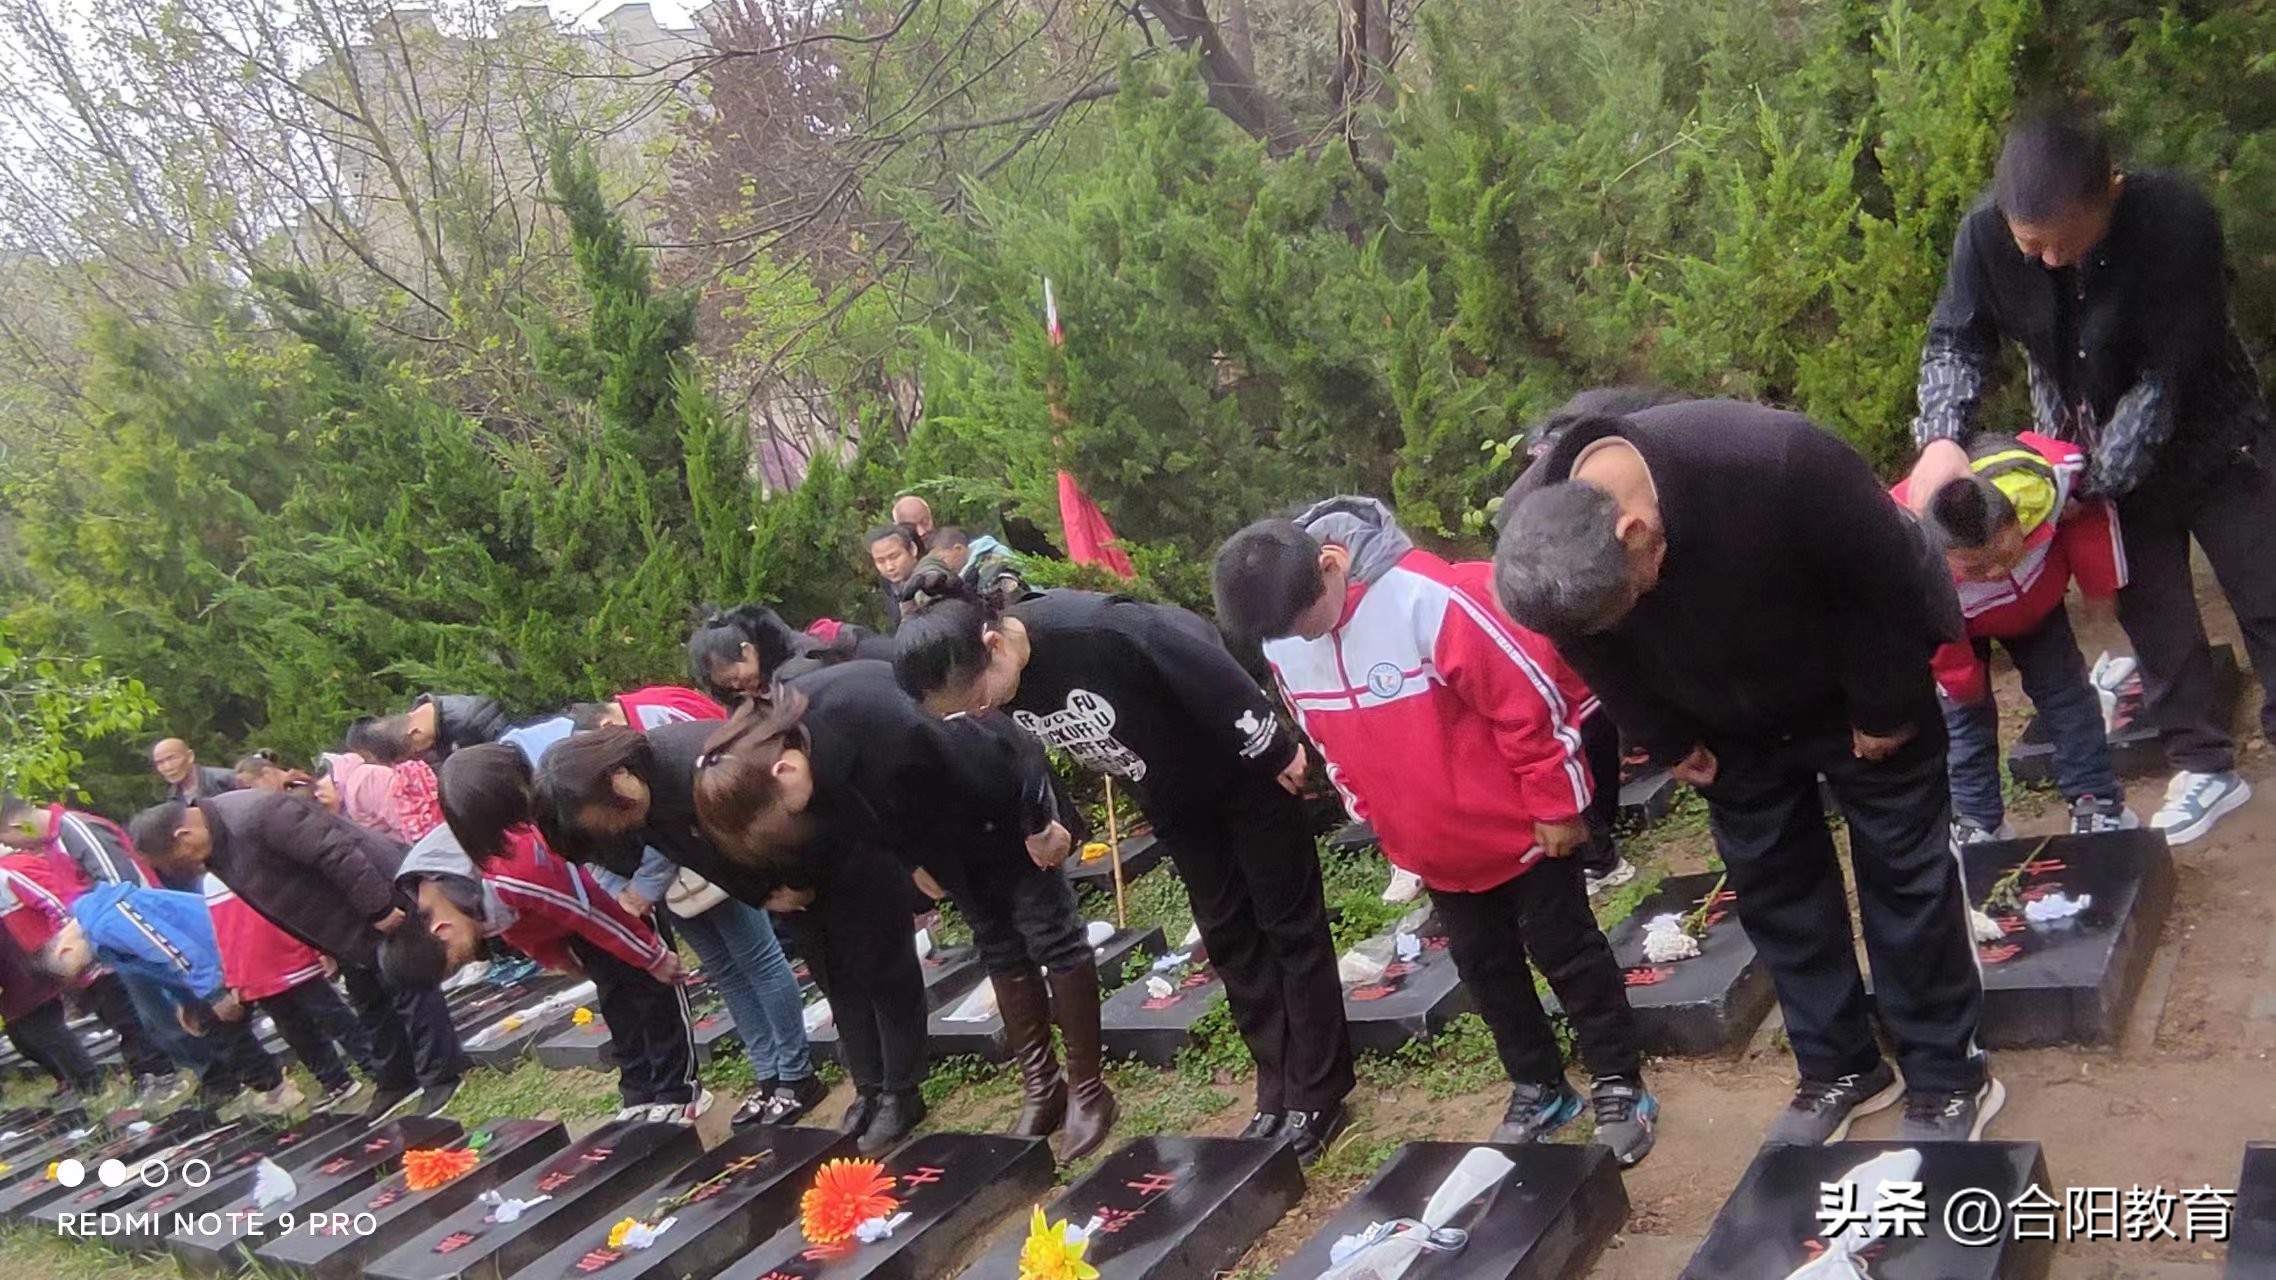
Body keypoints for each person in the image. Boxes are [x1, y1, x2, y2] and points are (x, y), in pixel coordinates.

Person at [1495, 397, 1999, 1145]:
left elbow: (1889, 581)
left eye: (1634, 593)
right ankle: (1840, 1066)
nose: (1633, 610)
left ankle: (1947, 1071)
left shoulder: (1775, 461)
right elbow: (1591, 648)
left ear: (1634, 532)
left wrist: (1886, 706)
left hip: (1852, 694)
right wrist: (1664, 737)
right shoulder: (1538, 537)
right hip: (1723, 725)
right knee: (1777, 895)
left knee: (1905, 879)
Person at [1213, 497, 1660, 1167]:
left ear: (1332, 565)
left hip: (1525, 831)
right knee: (1486, 969)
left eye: (1308, 621)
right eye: (1284, 634)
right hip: (1433, 847)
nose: (1302, 639)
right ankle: (1539, 1086)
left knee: (1570, 956)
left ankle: (1619, 1082)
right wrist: (1380, 817)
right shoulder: (1286, 639)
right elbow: (1325, 733)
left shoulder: (1429, 599)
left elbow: (1528, 701)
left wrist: (1556, 805)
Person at [1902, 109, 2276, 846]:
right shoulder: (1984, 237)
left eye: (2062, 242)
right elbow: (1956, 340)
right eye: (2028, 243)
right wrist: (1942, 438)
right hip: (2088, 442)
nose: (2044, 260)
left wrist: (2083, 479)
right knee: (2154, 611)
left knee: (2265, 585)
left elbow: (2170, 378)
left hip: (2212, 431)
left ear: (2111, 191)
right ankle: (2204, 763)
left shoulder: (2175, 221)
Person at [894, 572, 1356, 1163]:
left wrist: (1269, 742)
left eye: (981, 698)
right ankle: (1276, 1084)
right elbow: (1024, 747)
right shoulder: (997, 680)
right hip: (1173, 797)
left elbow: (1195, 646)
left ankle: (1318, 1092)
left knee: (1287, 926)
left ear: (993, 645)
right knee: (1229, 935)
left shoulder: (1095, 628)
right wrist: (1046, 816)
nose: (983, 711)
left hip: (1240, 778)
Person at [694, 662, 1119, 1162]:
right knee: (998, 946)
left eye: (787, 819)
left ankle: (1089, 1091)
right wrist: (913, 859)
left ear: (784, 771)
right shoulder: (779, 753)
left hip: (1004, 804)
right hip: (944, 830)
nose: (799, 829)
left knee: (1051, 936)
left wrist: (1039, 822)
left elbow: (1008, 749)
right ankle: (1044, 1086)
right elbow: (863, 813)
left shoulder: (876, 719)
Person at [492, 707, 822, 1129]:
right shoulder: (572, 811)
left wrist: (641, 891)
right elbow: (596, 862)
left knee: (759, 960)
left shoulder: (632, 777)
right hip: (672, 894)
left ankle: (797, 1073)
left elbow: (660, 835)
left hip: (707, 871)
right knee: (726, 972)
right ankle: (768, 1073)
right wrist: (624, 898)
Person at [387, 744, 708, 1124]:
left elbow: (591, 909)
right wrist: (558, 958)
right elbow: (517, 925)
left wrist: (652, 954)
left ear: (441, 929)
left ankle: (681, 1089)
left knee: (651, 990)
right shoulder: (446, 893)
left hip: (607, 895)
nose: (470, 959)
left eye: (458, 958)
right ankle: (639, 1089)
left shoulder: (512, 868)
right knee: (615, 997)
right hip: (570, 909)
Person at [128, 791, 468, 1120]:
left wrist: (378, 908)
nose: (185, 868)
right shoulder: (218, 844)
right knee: (370, 1002)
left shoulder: (258, 815)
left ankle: (442, 1076)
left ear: (184, 835)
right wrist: (322, 945)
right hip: (339, 924)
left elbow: (336, 852)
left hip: (377, 898)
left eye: (179, 860)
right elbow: (276, 902)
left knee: (407, 986)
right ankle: (397, 1080)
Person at [1894, 432, 2136, 842]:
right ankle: (1978, 819)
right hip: (1958, 626)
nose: (1993, 573)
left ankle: (2096, 802)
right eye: (1975, 567)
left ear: (2013, 518)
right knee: (1963, 718)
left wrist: (2099, 585)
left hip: (2038, 605)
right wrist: (1960, 681)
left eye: (2004, 555)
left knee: (2067, 698)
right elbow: (1924, 624)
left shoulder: (2044, 487)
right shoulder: (1907, 552)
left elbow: (2089, 507)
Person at [44, 882, 304, 1115]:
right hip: (208, 963)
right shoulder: (101, 934)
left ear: (65, 949)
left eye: (81, 968)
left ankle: (277, 1090)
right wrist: (185, 1001)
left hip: (220, 950)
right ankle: (270, 1083)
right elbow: (159, 967)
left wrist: (214, 994)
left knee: (226, 1031)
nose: (90, 970)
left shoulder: (108, 924)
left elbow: (176, 951)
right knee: (216, 1027)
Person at [1, 792, 188, 1103]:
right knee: (123, 1016)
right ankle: (152, 1072)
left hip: (105, 944)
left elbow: (102, 888)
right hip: (86, 951)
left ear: (19, 824)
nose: (13, 848)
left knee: (134, 1014)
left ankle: (162, 1072)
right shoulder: (50, 845)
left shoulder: (72, 831)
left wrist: (72, 942)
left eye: (8, 839)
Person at [202, 873, 376, 1111]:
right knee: (295, 1030)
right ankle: (336, 1081)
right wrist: (235, 979)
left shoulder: (250, 859)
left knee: (333, 1016)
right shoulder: (210, 882)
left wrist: (318, 948)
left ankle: (376, 1068)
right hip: (256, 972)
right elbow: (226, 936)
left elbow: (292, 904)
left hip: (293, 957)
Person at [686, 605, 891, 704]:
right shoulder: (761, 687)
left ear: (748, 651)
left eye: (735, 677)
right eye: (727, 684)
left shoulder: (800, 672)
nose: (736, 686)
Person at [868, 524, 925, 633]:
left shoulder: (931, 580)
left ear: (912, 549)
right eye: (880, 561)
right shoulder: (888, 583)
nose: (889, 567)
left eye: (894, 557)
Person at [152, 738, 240, 803]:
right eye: (160, 763)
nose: (168, 767)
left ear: (190, 756)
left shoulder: (226, 779)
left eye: (172, 758)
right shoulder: (172, 796)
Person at [234, 752, 315, 794]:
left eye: (253, 785)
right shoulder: (295, 786)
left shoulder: (298, 788)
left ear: (267, 773)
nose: (254, 792)